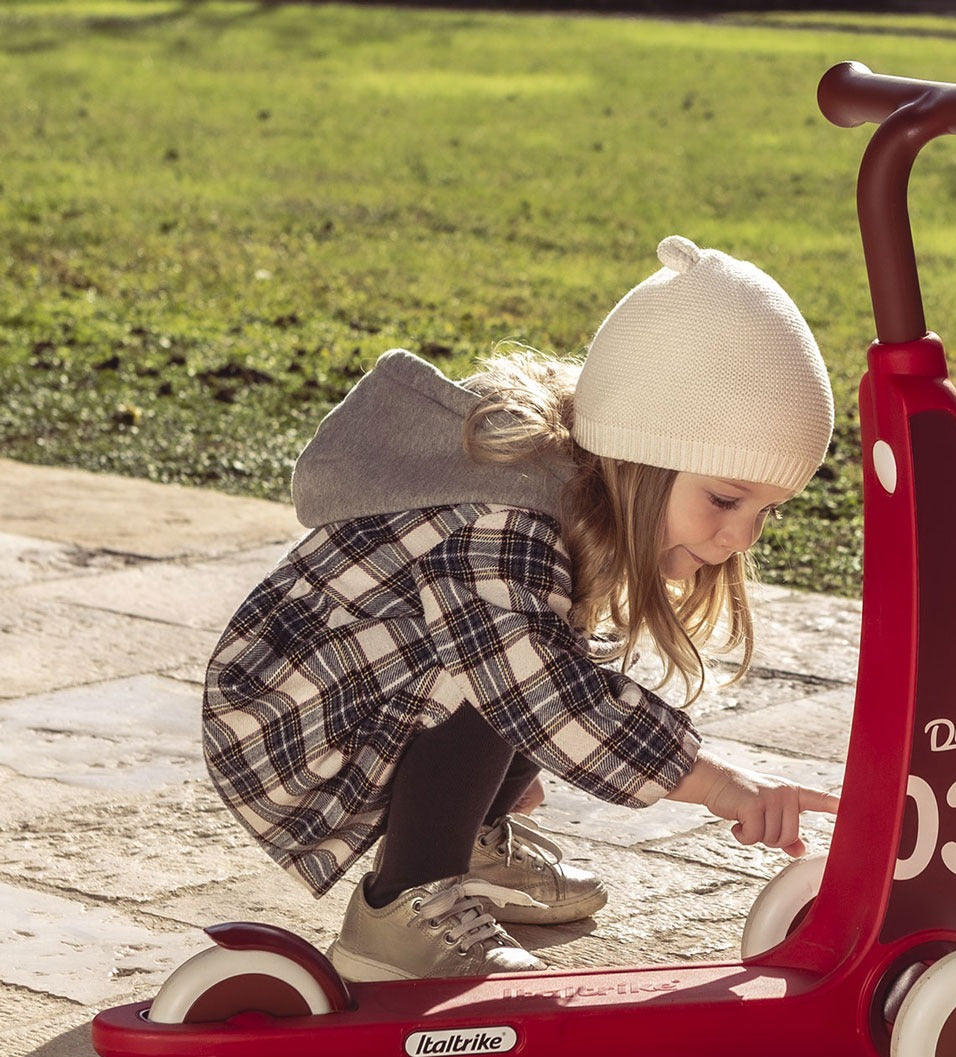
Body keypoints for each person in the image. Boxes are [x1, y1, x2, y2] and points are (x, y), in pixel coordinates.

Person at [202, 234, 839, 982]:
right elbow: (537, 695)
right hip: (285, 722)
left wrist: (490, 781)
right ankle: (399, 912)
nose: (739, 537)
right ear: (641, 456)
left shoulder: (563, 504)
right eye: (726, 499)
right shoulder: (500, 527)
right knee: (515, 678)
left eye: (766, 510)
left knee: (528, 661)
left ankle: (469, 849)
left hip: (359, 696)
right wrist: (716, 784)